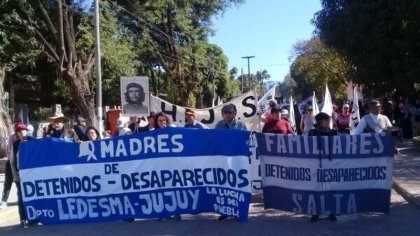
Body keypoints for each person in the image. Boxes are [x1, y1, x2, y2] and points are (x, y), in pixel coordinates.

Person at [308, 112, 338, 223]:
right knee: (317, 189)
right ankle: (315, 213)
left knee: (330, 189)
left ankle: (331, 212)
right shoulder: (313, 133)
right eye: (327, 120)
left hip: (330, 165)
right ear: (320, 122)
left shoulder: (333, 132)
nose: (329, 121)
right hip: (317, 165)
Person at [9, 122, 35, 228]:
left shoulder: (33, 141)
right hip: (21, 174)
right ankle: (23, 219)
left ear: (27, 131)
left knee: (34, 195)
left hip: (34, 173)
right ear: (17, 133)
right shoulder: (15, 145)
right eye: (19, 131)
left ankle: (34, 217)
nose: (21, 132)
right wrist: (15, 175)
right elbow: (12, 161)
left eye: (23, 130)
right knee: (21, 197)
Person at [0, 123, 20, 209]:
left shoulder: (27, 137)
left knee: (20, 183)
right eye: (18, 129)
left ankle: (20, 198)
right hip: (11, 161)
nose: (20, 131)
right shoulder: (13, 136)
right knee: (8, 182)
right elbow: (9, 149)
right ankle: (4, 200)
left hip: (21, 163)